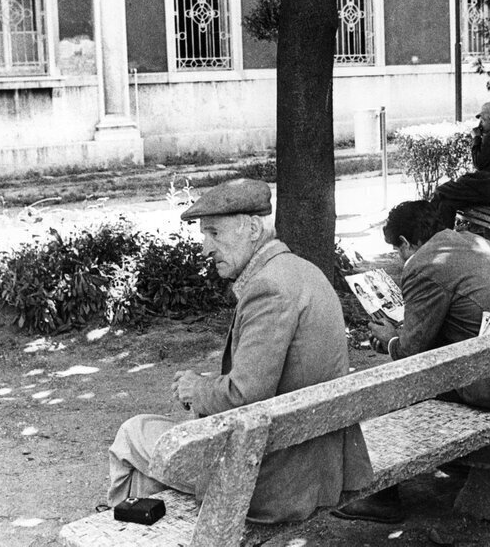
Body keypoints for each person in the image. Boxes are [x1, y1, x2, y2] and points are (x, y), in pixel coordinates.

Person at [106, 178, 372, 523]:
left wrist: (195, 388)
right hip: (317, 460)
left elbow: (245, 394)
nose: (205, 248)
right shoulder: (303, 271)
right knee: (155, 452)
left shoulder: (268, 287)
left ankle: (118, 531)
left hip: (272, 480)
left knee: (132, 434)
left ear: (251, 228)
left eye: (214, 233)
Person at [332, 200, 490, 524]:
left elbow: (411, 355)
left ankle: (380, 496)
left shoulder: (425, 264)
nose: (399, 258)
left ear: (406, 243)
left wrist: (390, 340)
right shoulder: (474, 242)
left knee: (394, 380)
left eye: (397, 250)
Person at [430, 100, 490, 228]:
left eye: (482, 120)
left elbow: (478, 163)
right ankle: (442, 237)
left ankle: (427, 232)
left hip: (488, 187)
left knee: (441, 190)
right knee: (447, 204)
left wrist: (477, 138)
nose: (480, 124)